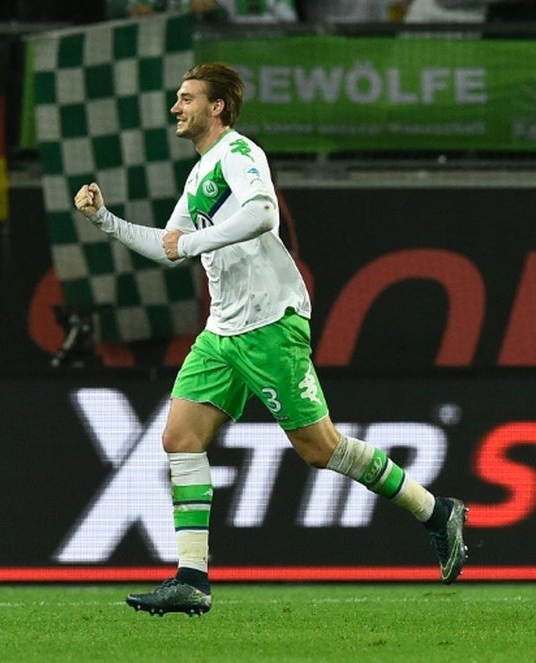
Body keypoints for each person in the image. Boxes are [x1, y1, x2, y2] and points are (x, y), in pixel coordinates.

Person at [73, 62, 467, 617]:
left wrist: (194, 243)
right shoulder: (199, 175)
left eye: (186, 98)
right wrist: (105, 220)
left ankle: (435, 510)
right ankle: (191, 577)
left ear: (217, 107)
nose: (175, 108)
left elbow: (261, 214)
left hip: (270, 323)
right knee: (180, 439)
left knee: (319, 449)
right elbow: (169, 244)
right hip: (223, 332)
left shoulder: (239, 154)